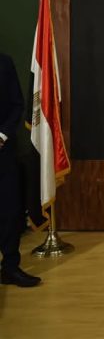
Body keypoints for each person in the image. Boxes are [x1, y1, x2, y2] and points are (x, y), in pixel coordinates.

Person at [0, 52, 41, 287]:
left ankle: (10, 267)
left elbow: (17, 105)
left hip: (3, 151)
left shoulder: (4, 62)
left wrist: (2, 135)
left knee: (10, 211)